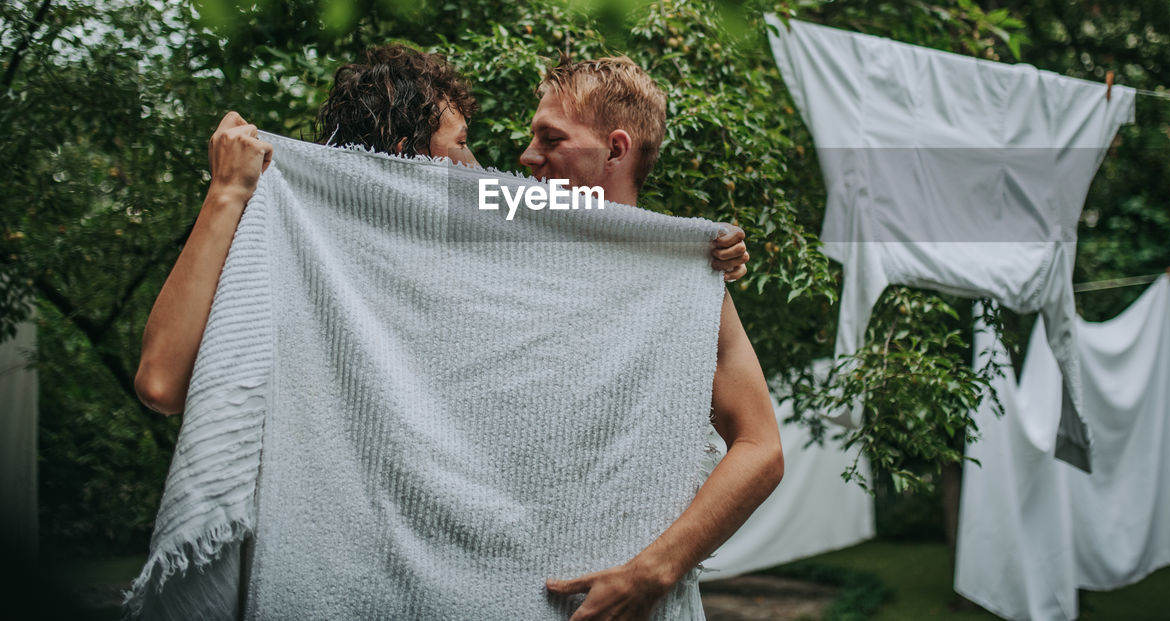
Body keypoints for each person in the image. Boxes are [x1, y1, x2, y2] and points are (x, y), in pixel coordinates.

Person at [135, 42, 749, 414]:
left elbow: (586, 225)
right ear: (413, 156)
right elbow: (162, 382)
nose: (492, 167)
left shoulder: (490, 228)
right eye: (462, 144)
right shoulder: (296, 245)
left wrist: (693, 253)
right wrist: (227, 193)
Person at [520, 55, 782, 620]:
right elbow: (418, 192)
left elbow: (761, 449)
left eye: (550, 138)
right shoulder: (504, 230)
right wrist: (277, 167)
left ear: (615, 150)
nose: (526, 156)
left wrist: (654, 572)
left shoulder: (688, 280)